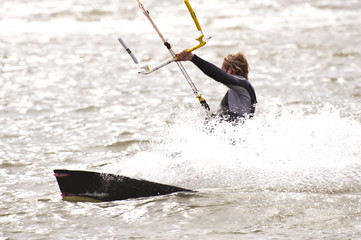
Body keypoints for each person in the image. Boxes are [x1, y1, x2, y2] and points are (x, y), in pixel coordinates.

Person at [175, 50, 257, 122]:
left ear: (230, 70)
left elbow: (219, 75)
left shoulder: (243, 85)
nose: (221, 71)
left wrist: (192, 58)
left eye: (222, 69)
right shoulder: (239, 89)